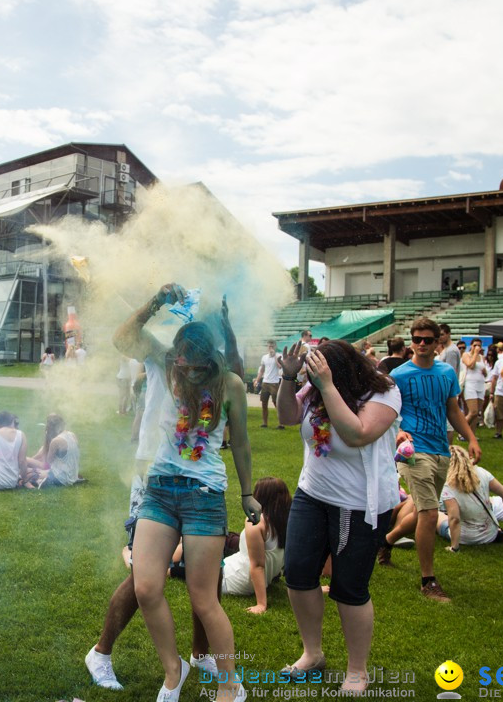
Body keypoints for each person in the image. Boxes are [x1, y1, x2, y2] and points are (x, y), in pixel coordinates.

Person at [113, 283, 258, 702]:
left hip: (204, 493)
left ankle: (231, 685)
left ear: (210, 358)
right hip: (159, 489)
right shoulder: (163, 364)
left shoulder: (229, 383)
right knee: (146, 588)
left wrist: (248, 493)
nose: (190, 372)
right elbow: (121, 338)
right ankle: (173, 670)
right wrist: (156, 301)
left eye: (199, 366)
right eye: (185, 364)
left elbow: (243, 443)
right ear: (176, 355)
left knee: (203, 597)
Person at [276, 340, 401, 692]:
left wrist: (326, 385)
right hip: (311, 495)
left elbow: (358, 433)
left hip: (359, 505)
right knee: (298, 575)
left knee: (349, 588)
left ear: (342, 371)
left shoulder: (384, 392)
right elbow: (288, 416)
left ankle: (357, 670)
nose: (312, 382)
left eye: (319, 375)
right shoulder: (316, 388)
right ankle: (312, 654)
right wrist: (289, 379)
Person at [383, 317, 480, 603]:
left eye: (428, 339)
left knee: (423, 510)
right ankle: (428, 581)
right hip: (413, 451)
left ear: (438, 342)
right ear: (410, 341)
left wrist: (471, 438)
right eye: (417, 339)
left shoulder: (447, 372)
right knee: (427, 512)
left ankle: (385, 541)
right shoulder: (398, 375)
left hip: (440, 449)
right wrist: (399, 432)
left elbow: (453, 410)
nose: (422, 344)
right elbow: (389, 412)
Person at [218, 477, 290, 614]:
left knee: (192, 558)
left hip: (232, 579)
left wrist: (261, 604)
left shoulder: (256, 521)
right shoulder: (288, 521)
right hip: (242, 573)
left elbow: (257, 566)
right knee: (222, 541)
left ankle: (171, 569)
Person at [435, 446, 503, 550]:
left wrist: (454, 547)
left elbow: (454, 518)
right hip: (490, 534)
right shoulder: (482, 472)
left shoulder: (448, 485)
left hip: (465, 537)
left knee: (436, 514)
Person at [25, 413, 81, 488]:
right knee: (32, 470)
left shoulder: (56, 441)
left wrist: (47, 437)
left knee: (29, 473)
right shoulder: (72, 435)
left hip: (62, 478)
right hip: (73, 475)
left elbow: (48, 461)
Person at [254, 340, 282, 429]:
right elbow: (262, 370)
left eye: (272, 346)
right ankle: (264, 423)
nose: (270, 348)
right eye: (269, 346)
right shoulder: (264, 357)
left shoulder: (278, 356)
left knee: (276, 403)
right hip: (265, 382)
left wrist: (274, 356)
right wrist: (257, 380)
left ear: (275, 346)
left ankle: (281, 423)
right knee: (264, 403)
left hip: (274, 383)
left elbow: (279, 366)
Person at [461, 338, 488, 428]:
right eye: (475, 345)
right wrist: (475, 353)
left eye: (479, 346)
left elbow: (485, 372)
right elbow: (470, 365)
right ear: (471, 346)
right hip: (470, 385)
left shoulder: (482, 357)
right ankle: (461, 429)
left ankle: (471, 434)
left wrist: (485, 372)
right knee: (473, 411)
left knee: (476, 413)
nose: (477, 347)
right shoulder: (466, 354)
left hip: (480, 385)